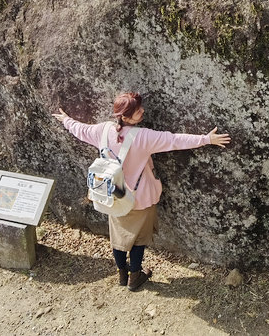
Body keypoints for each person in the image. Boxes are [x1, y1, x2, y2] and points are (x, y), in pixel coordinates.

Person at [53, 92, 231, 291]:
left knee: (118, 238)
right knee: (139, 239)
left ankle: (122, 273)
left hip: (112, 195)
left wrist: (67, 120)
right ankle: (135, 276)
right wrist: (206, 139)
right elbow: (174, 140)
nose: (143, 111)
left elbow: (81, 130)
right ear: (126, 117)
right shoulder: (143, 137)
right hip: (140, 197)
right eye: (138, 111)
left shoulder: (103, 130)